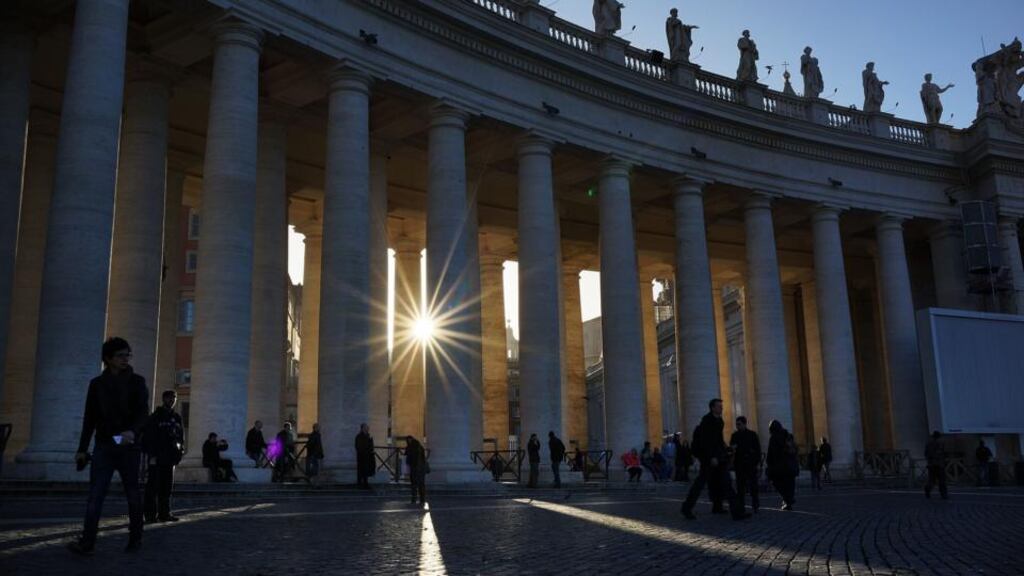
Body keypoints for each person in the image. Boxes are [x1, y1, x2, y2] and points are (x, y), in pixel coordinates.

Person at [68, 337, 149, 556]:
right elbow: (89, 419)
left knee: (133, 494)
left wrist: (132, 431)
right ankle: (87, 541)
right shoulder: (96, 384)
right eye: (121, 355)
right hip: (104, 445)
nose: (126, 359)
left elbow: (143, 413)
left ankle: (135, 539)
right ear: (108, 359)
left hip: (128, 445)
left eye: (128, 355)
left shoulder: (137, 382)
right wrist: (82, 449)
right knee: (95, 495)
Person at [680, 398, 747, 520]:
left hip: (719, 457)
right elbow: (706, 442)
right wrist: (711, 457)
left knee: (724, 483)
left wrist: (727, 448)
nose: (721, 408)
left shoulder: (719, 421)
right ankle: (686, 508)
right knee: (700, 484)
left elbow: (718, 440)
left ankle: (731, 510)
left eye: (721, 406)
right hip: (709, 459)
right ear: (712, 408)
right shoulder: (707, 421)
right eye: (719, 406)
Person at [142, 390, 184, 524]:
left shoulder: (177, 417)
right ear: (163, 399)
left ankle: (165, 513)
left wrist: (180, 452)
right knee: (153, 488)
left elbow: (180, 436)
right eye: (169, 398)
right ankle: (150, 515)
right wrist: (152, 455)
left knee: (167, 488)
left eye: (174, 398)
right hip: (157, 458)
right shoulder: (155, 417)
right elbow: (148, 437)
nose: (172, 401)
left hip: (170, 458)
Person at [729, 416, 761, 514]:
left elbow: (758, 450)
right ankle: (741, 506)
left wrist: (756, 462)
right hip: (739, 465)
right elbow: (731, 449)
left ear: (744, 424)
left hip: (750, 464)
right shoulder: (734, 436)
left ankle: (755, 504)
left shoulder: (752, 434)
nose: (737, 426)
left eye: (739, 424)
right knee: (740, 487)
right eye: (736, 424)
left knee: (753, 486)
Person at [765, 420, 798, 510]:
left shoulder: (773, 438)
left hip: (779, 467)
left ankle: (787, 500)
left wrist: (768, 464)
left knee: (777, 483)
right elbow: (795, 449)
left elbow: (770, 454)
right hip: (791, 465)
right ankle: (788, 500)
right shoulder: (788, 435)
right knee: (790, 484)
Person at [924, 431, 948, 499]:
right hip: (939, 464)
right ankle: (944, 494)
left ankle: (928, 488)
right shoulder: (940, 443)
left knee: (931, 480)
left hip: (931, 464)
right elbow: (943, 453)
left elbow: (925, 454)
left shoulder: (928, 444)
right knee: (942, 480)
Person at [405, 435, 428, 505]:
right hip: (421, 468)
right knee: (421, 484)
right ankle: (422, 499)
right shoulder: (420, 446)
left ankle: (414, 499)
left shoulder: (411, 447)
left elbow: (409, 457)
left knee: (414, 485)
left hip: (415, 468)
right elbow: (423, 457)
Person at [355, 423, 374, 488]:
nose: (367, 429)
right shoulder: (359, 436)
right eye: (366, 428)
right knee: (361, 470)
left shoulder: (368, 436)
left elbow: (371, 446)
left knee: (366, 470)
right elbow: (358, 446)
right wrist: (364, 451)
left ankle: (366, 483)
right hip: (361, 456)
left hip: (368, 456)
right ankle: (359, 483)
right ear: (362, 428)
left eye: (367, 428)